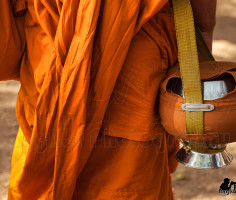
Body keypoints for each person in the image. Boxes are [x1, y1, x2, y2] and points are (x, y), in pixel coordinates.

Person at [0, 0, 217, 199]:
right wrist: (204, 32)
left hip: (53, 49)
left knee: (46, 143)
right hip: (135, 61)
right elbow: (202, 21)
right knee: (128, 169)